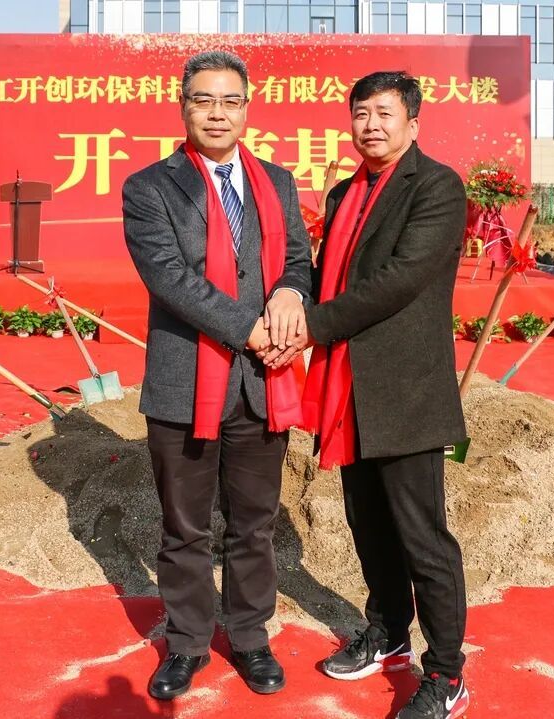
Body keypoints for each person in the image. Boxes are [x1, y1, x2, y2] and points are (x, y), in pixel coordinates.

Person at [260, 71, 470, 719]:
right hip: (348, 385)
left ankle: (447, 673)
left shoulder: (435, 186)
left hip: (404, 389)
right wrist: (284, 297)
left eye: (384, 113)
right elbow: (325, 274)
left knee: (422, 537)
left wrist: (309, 328)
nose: (370, 125)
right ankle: (388, 632)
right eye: (360, 113)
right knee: (369, 524)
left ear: (413, 122)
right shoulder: (346, 191)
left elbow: (400, 280)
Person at [121, 50, 310, 700]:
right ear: (184, 107)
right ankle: (188, 642)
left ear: (247, 109)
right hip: (184, 385)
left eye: (231, 101)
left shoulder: (277, 182)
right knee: (185, 527)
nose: (218, 113)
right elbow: (169, 278)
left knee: (255, 524)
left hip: (261, 383)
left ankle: (251, 637)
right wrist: (251, 328)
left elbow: (297, 259)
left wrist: (290, 293)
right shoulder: (149, 187)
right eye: (204, 100)